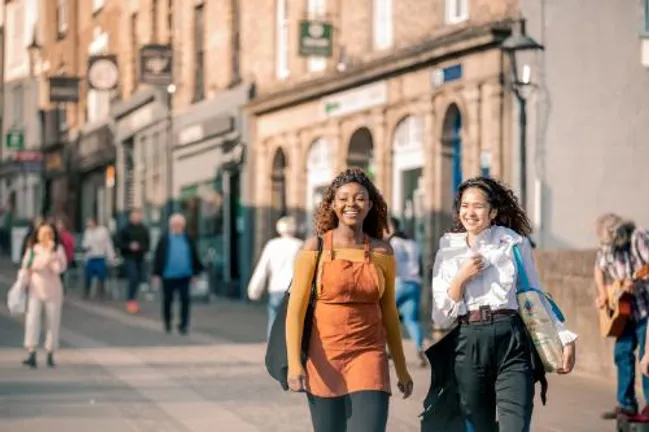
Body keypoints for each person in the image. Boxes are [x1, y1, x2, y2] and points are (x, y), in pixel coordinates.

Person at [431, 176, 577, 431]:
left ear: (493, 211)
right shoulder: (448, 248)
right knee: (477, 426)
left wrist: (564, 335)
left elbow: (534, 293)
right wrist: (460, 279)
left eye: (477, 205)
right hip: (469, 342)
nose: (470, 212)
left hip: (511, 340)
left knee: (516, 424)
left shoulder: (513, 243)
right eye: (465, 206)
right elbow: (440, 317)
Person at [285, 168, 413, 432]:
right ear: (332, 204)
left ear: (370, 205)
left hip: (369, 356)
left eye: (359, 198)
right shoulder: (314, 248)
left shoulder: (382, 251)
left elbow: (389, 312)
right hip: (324, 357)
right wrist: (295, 365)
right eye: (343, 198)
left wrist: (401, 368)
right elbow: (295, 310)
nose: (351, 204)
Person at [594, 213, 649, 420]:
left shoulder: (639, 238)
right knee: (622, 354)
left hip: (645, 308)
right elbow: (598, 268)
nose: (605, 246)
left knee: (647, 358)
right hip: (624, 314)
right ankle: (626, 405)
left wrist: (638, 282)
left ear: (617, 235)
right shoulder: (605, 247)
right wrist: (602, 293)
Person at [247, 215, 303, 338]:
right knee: (293, 323)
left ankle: (273, 352)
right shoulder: (300, 245)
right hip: (294, 290)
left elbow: (262, 268)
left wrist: (254, 290)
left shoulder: (272, 245)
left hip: (276, 289)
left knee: (273, 322)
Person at [21, 222, 67, 368]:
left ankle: (50, 352)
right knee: (32, 321)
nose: (46, 236)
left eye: (49, 233)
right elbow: (30, 265)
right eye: (43, 233)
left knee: (52, 322)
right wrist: (46, 258)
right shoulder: (33, 249)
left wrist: (52, 254)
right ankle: (31, 351)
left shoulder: (58, 250)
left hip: (53, 291)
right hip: (36, 290)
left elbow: (59, 269)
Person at [152, 213, 204, 335]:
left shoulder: (188, 239)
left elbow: (194, 255)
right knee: (167, 300)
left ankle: (184, 325)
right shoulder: (164, 239)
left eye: (179, 225)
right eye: (175, 225)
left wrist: (196, 273)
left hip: (185, 275)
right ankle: (168, 322)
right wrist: (156, 274)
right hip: (168, 275)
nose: (177, 227)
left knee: (185, 300)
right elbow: (158, 256)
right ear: (170, 226)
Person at [386, 216, 426, 367]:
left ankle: (387, 350)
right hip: (414, 284)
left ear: (390, 227)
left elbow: (390, 264)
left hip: (398, 283)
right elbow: (420, 266)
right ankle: (419, 348)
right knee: (412, 320)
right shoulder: (413, 243)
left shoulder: (392, 243)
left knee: (383, 316)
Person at [118, 209, 150, 314]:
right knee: (133, 277)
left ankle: (133, 299)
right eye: (134, 216)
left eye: (138, 216)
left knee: (137, 279)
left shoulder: (144, 229)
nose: (136, 218)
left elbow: (147, 245)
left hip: (140, 257)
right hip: (129, 257)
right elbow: (119, 243)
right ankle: (131, 300)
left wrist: (140, 247)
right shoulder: (125, 229)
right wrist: (129, 246)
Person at [82, 217, 116, 300]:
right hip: (90, 256)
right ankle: (87, 291)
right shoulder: (87, 232)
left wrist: (111, 256)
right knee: (88, 275)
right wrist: (86, 246)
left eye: (90, 223)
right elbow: (85, 243)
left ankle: (101, 292)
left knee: (101, 275)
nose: (89, 225)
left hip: (100, 256)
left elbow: (107, 244)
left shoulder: (103, 231)